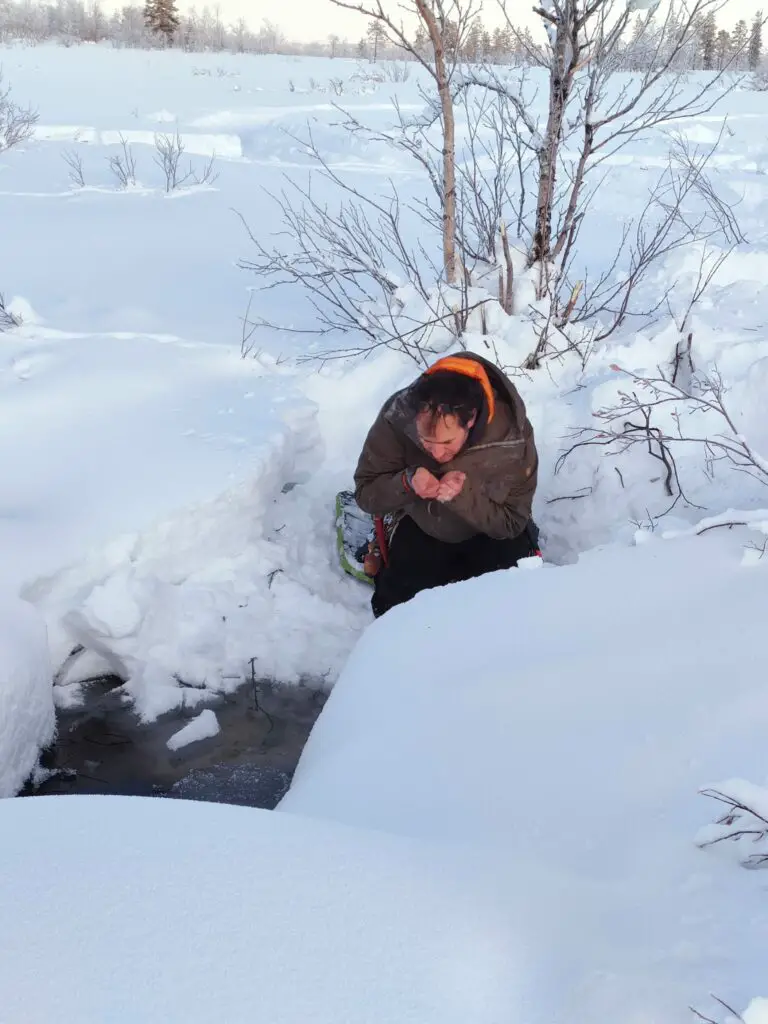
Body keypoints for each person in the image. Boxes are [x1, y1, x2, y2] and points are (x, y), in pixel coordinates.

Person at [354, 351, 540, 618]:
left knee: (513, 609)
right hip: (423, 524)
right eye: (426, 443)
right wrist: (406, 483)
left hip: (488, 529)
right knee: (395, 611)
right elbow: (366, 493)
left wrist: (462, 496)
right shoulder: (397, 418)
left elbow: (512, 521)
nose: (437, 455)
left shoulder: (510, 435)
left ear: (472, 419)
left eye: (447, 443)